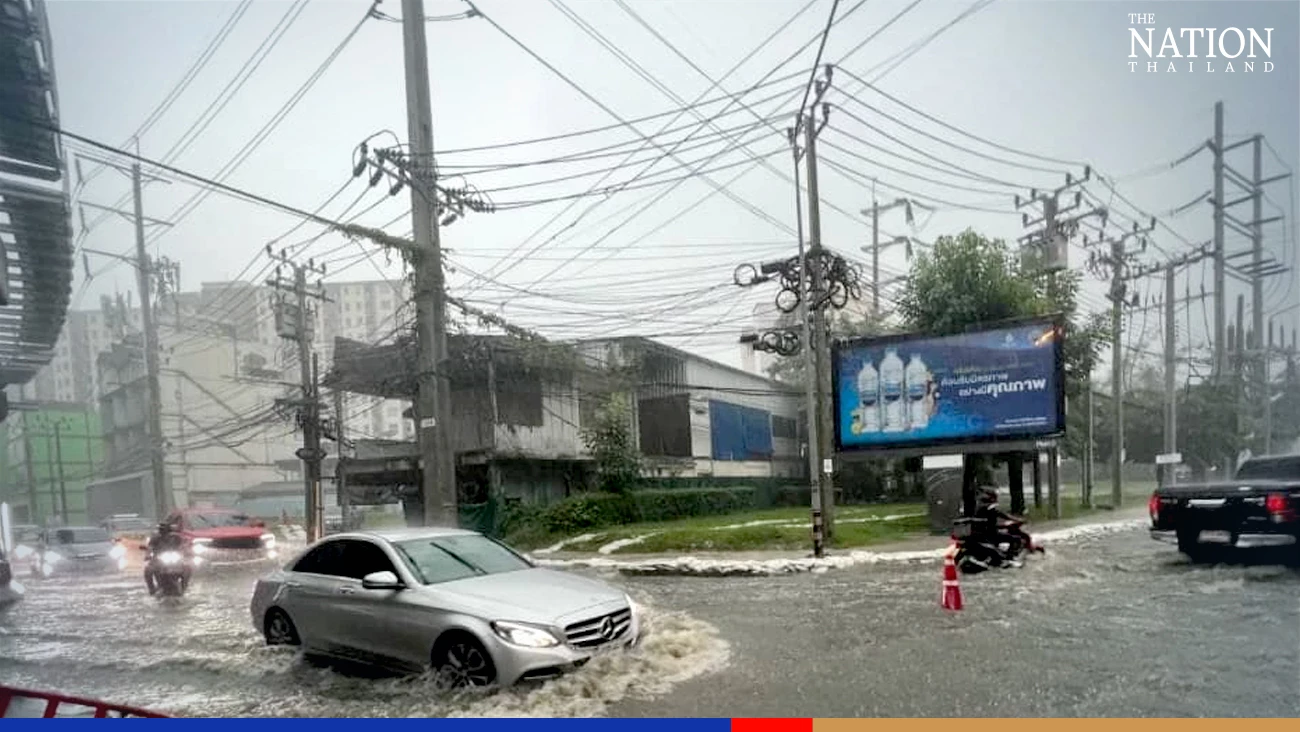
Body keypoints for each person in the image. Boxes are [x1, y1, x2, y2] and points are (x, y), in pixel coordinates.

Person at [972, 486, 1041, 564]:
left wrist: (1003, 525)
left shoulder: (979, 508)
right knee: (1016, 539)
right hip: (990, 535)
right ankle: (1010, 558)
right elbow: (1004, 516)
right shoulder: (991, 508)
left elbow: (990, 523)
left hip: (982, 534)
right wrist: (1020, 520)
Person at [143, 520, 190, 595]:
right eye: (162, 530)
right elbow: (150, 548)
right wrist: (147, 555)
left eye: (165, 530)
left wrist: (186, 552)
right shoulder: (155, 538)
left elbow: (183, 546)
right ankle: (151, 589)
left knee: (187, 568)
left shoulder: (176, 537)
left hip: (175, 559)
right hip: (158, 560)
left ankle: (184, 587)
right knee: (148, 570)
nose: (163, 532)